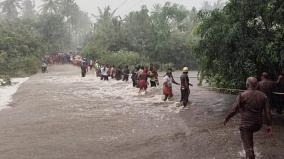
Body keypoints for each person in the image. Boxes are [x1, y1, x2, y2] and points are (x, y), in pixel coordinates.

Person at [224, 77, 272, 159]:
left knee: (248, 149)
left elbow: (234, 110)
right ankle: (251, 152)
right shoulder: (263, 96)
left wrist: (227, 118)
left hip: (246, 125)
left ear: (247, 84)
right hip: (258, 124)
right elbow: (268, 112)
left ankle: (250, 154)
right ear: (257, 85)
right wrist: (269, 125)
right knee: (250, 143)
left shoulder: (242, 95)